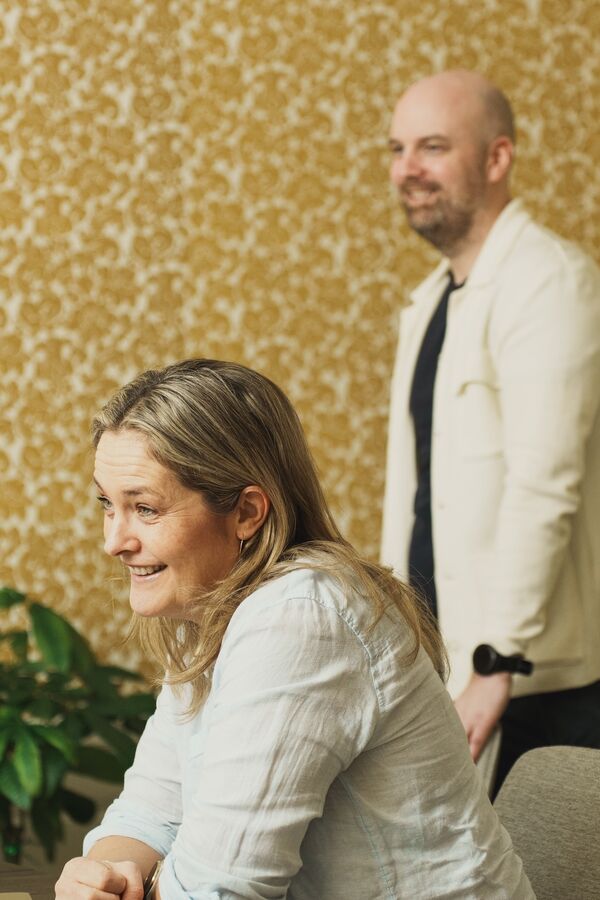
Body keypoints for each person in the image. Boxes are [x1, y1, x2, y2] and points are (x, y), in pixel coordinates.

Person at [56, 358, 532, 899]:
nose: (114, 541)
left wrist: (148, 882)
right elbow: (151, 810)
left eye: (145, 508)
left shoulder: (301, 618)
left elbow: (218, 889)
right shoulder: (205, 610)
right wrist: (100, 874)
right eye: (107, 504)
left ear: (246, 513)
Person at [381, 69, 600, 791]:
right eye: (397, 149)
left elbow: (544, 485)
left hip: (534, 684)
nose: (407, 169)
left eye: (433, 147)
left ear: (498, 157)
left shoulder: (548, 282)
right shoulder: (432, 302)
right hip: (450, 669)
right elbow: (422, 500)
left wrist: (497, 659)